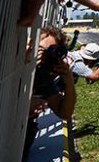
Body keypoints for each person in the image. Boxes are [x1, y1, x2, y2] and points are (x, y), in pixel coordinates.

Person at [24, 26, 76, 157]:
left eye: (48, 52)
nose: (42, 55)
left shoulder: (42, 75)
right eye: (41, 49)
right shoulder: (8, 65)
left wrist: (69, 83)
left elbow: (64, 112)